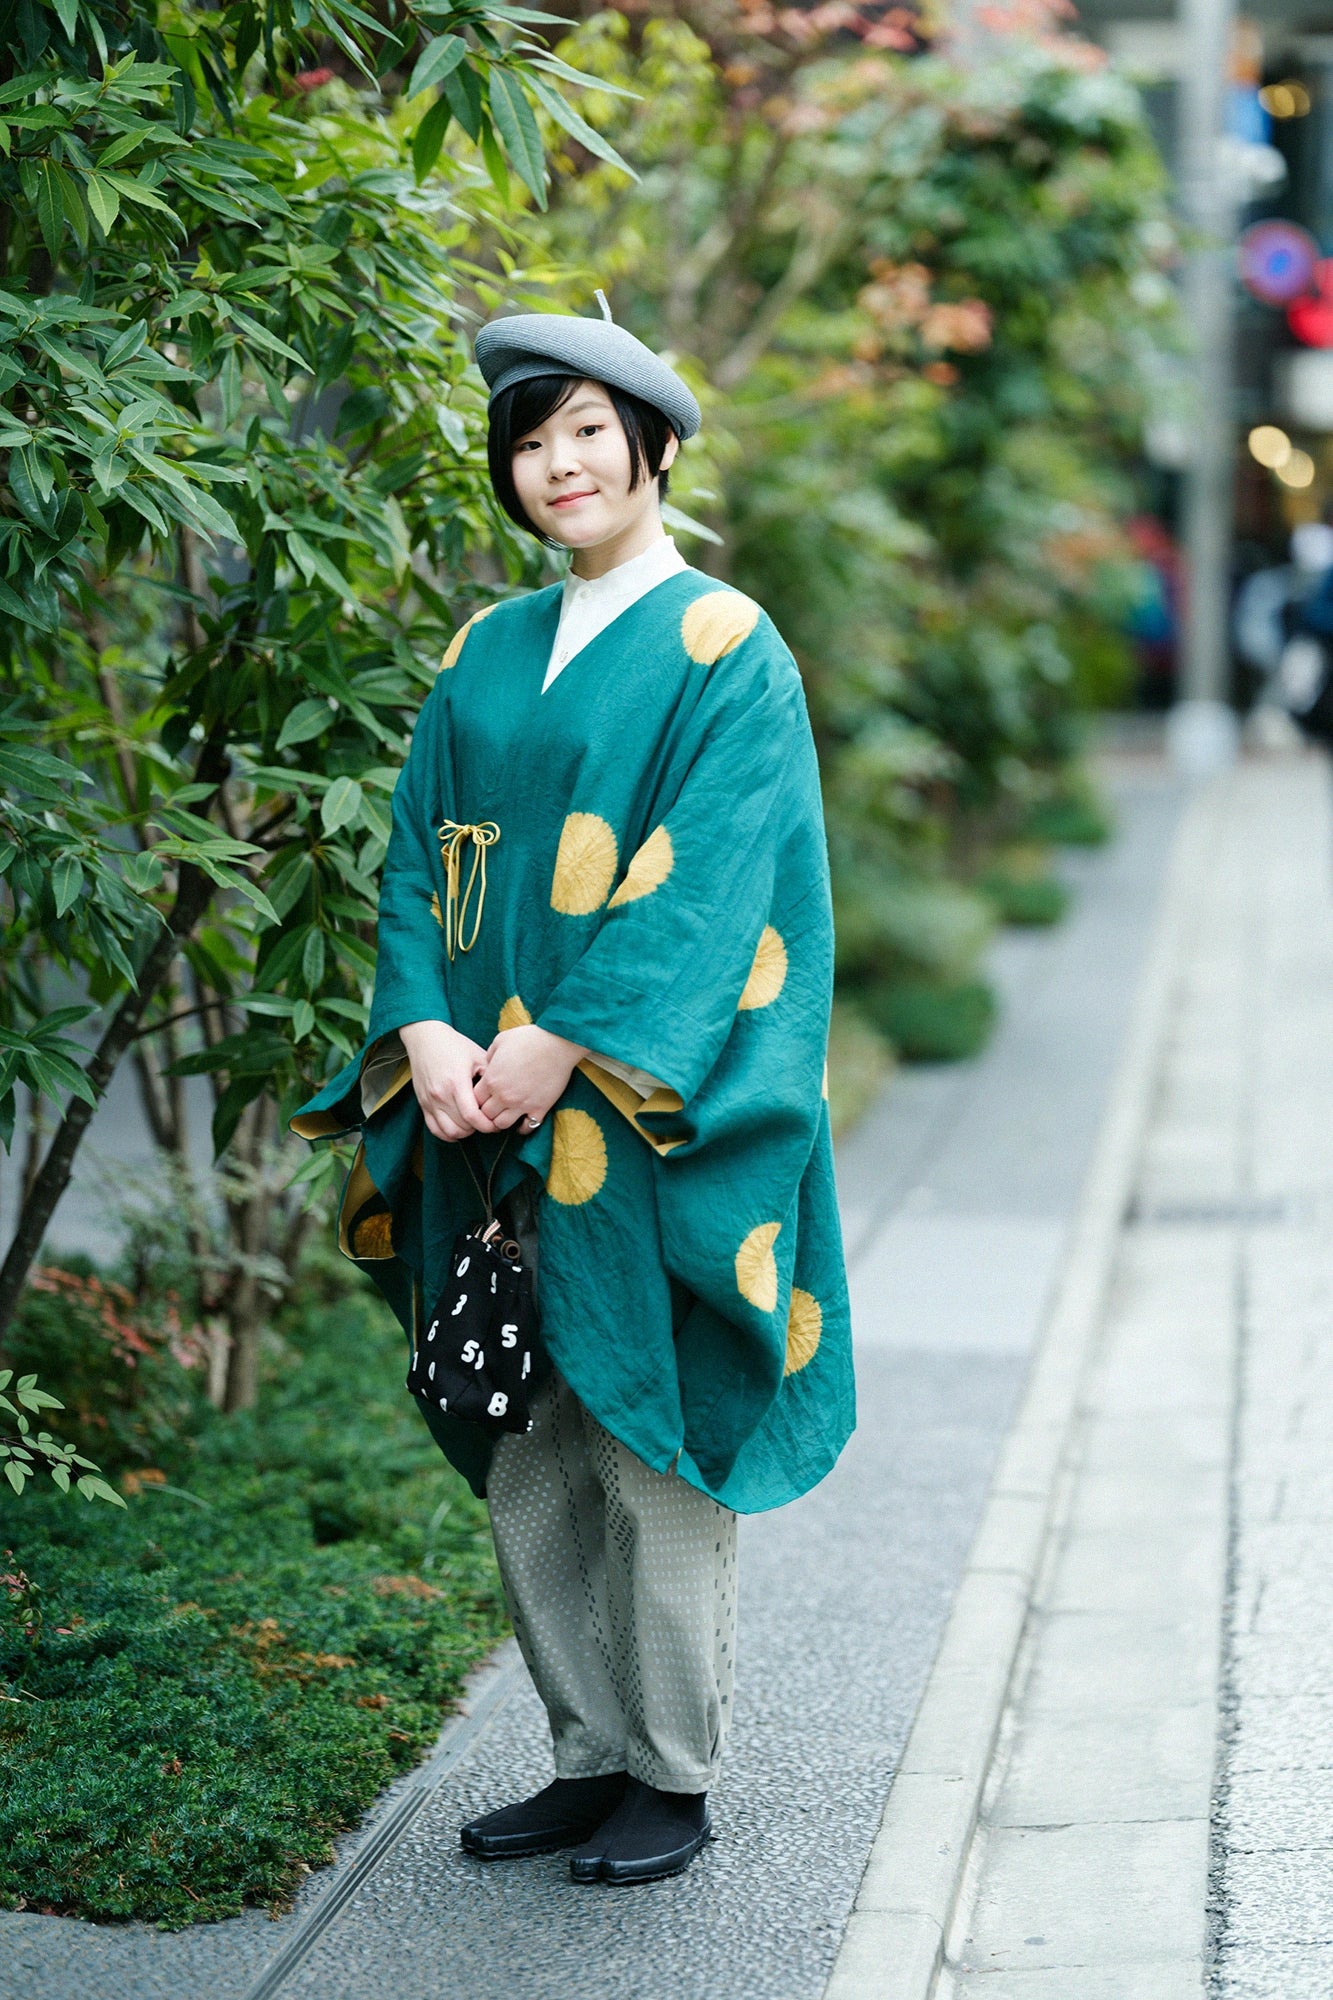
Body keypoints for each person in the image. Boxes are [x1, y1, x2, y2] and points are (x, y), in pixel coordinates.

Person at [291, 301, 853, 1886]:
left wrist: (563, 1044)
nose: (557, 467)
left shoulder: (723, 644)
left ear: (653, 448)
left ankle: (671, 1772)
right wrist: (420, 1034)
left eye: (586, 434)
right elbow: (415, 855)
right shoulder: (483, 649)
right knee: (526, 1430)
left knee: (637, 1425)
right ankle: (584, 1752)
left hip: (634, 1111)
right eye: (529, 443)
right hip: (478, 1108)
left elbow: (710, 883)